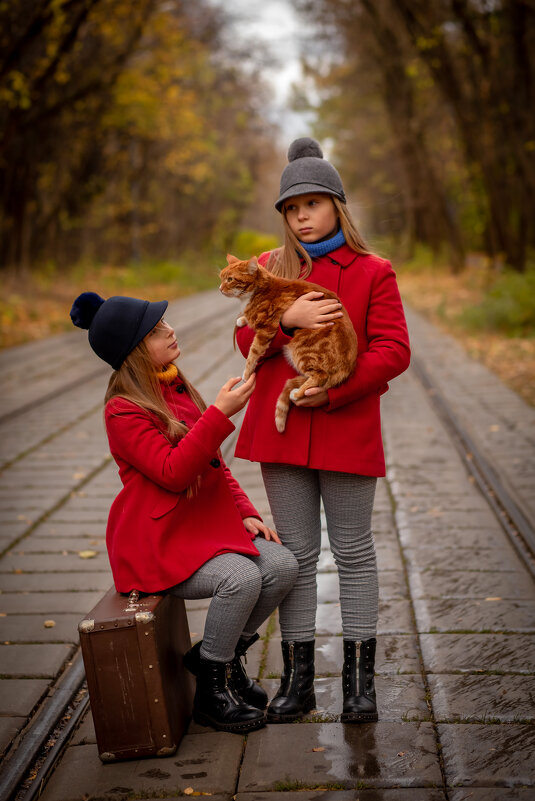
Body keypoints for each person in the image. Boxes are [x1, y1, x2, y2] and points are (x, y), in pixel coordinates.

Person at [234, 137, 411, 724]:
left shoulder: (372, 271)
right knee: (300, 557)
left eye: (312, 203)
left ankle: (360, 684)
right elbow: (244, 339)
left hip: (346, 425)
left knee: (355, 553)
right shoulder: (269, 268)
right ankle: (298, 681)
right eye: (291, 208)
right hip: (281, 434)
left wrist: (335, 391)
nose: (301, 216)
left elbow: (393, 350)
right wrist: (287, 318)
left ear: (337, 204)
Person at [70, 292, 299, 734]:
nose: (171, 330)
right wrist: (218, 413)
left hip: (204, 528)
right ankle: (212, 691)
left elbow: (213, 463)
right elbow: (173, 472)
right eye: (157, 330)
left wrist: (245, 512)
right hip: (160, 543)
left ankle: (219, 658)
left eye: (165, 324)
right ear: (136, 350)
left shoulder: (174, 384)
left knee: (282, 564)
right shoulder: (124, 410)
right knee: (243, 577)